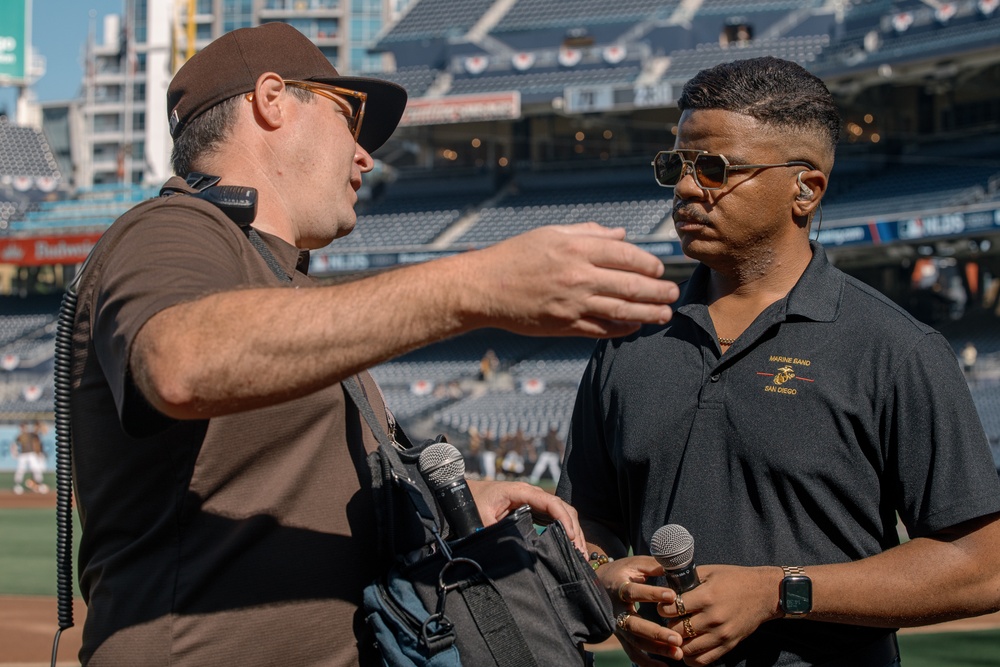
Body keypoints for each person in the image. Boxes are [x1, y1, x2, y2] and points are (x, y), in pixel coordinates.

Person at [67, 22, 680, 667]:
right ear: (271, 100)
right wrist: (477, 284)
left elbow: (282, 481)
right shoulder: (170, 230)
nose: (366, 156)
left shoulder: (281, 279)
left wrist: (430, 503)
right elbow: (179, 363)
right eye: (349, 118)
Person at [557, 56, 1000, 667]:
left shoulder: (895, 347)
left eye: (714, 169)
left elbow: (981, 567)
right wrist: (611, 586)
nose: (687, 188)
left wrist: (778, 592)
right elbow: (585, 525)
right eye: (677, 166)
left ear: (805, 189)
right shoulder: (627, 338)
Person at [11, 421, 48, 495]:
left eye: (24, 427)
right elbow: (14, 444)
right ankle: (17, 485)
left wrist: (38, 453)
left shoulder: (31, 434)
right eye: (22, 427)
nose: (23, 428)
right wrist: (14, 452)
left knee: (36, 468)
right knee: (21, 470)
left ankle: (39, 484)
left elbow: (38, 438)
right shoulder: (20, 436)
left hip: (32, 454)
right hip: (23, 454)